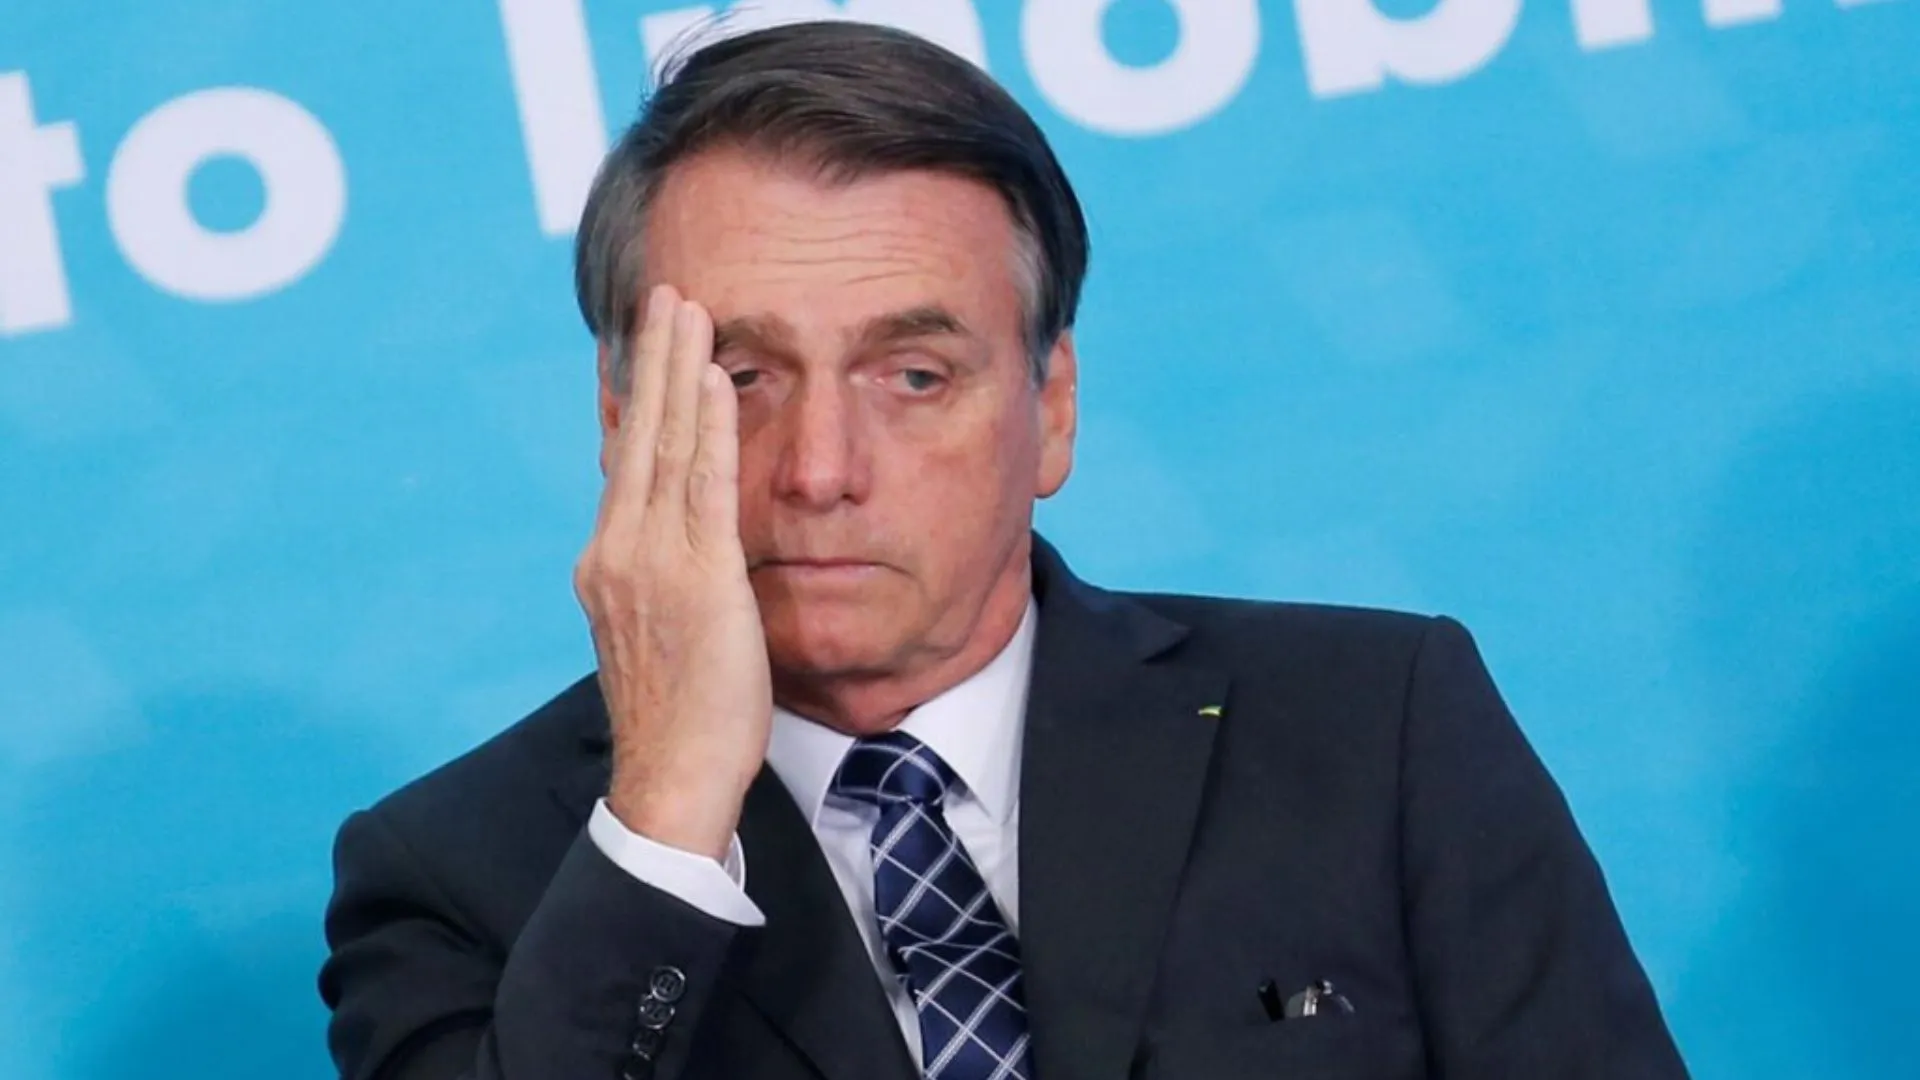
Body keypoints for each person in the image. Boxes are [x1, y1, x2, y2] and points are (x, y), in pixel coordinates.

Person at [318, 20, 1689, 1080]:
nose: (820, 470)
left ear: (1053, 409)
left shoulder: (1374, 731)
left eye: (914, 376)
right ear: (622, 424)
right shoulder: (454, 880)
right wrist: (670, 811)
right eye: (740, 379)